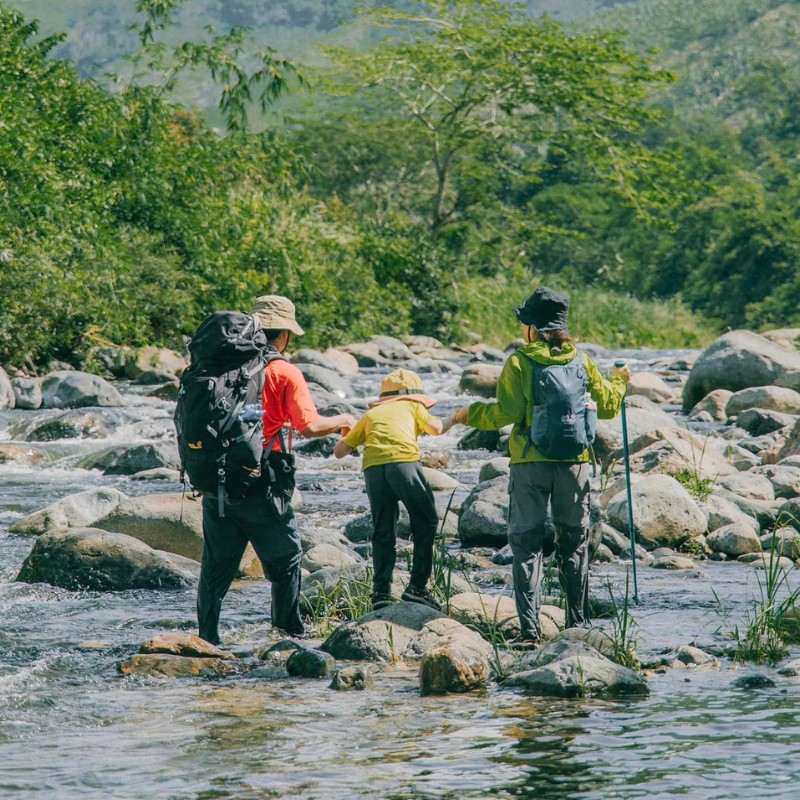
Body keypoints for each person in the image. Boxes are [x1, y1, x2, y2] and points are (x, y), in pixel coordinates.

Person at [452, 286, 631, 645]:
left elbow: (506, 413)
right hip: (574, 464)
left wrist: (466, 413)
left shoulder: (519, 362)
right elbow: (609, 406)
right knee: (574, 544)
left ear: (533, 328)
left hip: (530, 464)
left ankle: (530, 632)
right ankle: (578, 625)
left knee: (525, 545)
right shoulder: (581, 360)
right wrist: (620, 382)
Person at [197, 295, 357, 644]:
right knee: (286, 560)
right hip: (263, 481)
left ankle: (207, 638)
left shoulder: (221, 367)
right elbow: (308, 426)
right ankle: (287, 637)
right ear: (283, 335)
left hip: (218, 480)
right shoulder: (285, 371)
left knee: (216, 566)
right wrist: (344, 420)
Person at [333, 369, 454, 611]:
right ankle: (417, 588)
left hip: (373, 470)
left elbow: (339, 452)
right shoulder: (412, 406)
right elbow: (436, 428)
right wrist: (457, 418)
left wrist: (350, 434)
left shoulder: (371, 414)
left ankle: (380, 593)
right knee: (426, 520)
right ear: (415, 396)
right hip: (404, 465)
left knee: (383, 529)